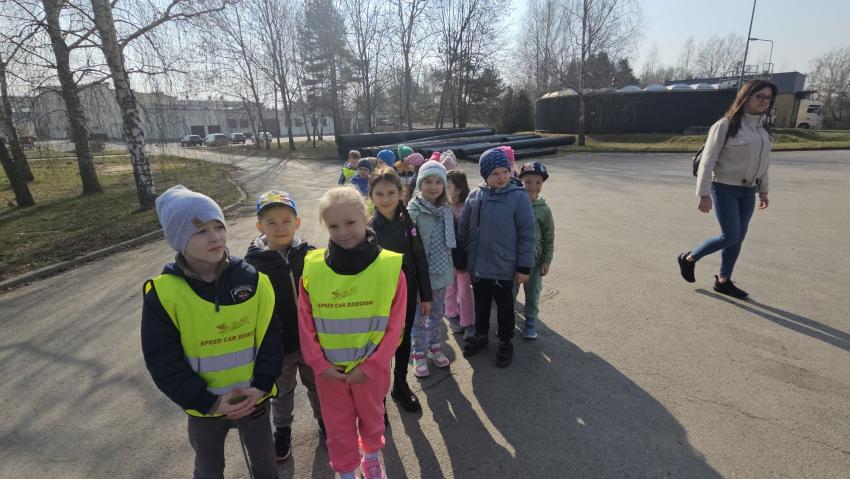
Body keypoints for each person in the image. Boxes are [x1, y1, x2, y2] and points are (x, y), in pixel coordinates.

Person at [141, 185, 282, 479]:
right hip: (204, 407)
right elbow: (163, 361)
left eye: (219, 226)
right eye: (201, 231)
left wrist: (261, 386)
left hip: (253, 397)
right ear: (179, 239)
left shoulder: (255, 281)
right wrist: (208, 402)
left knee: (265, 462)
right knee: (209, 468)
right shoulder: (163, 295)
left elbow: (271, 340)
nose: (215, 237)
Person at [298, 186, 407, 479]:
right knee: (337, 426)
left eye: (350, 222)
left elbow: (396, 326)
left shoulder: (389, 267)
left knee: (373, 420)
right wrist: (319, 365)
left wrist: (372, 365)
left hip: (371, 371)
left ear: (366, 216)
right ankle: (346, 471)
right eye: (333, 226)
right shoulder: (313, 267)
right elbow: (305, 321)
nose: (343, 232)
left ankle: (370, 458)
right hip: (329, 372)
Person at [678, 79, 776, 299]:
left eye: (768, 98)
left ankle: (723, 281)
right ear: (745, 97)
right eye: (760, 96)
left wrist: (764, 190)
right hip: (724, 187)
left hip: (748, 191)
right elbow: (708, 161)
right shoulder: (726, 125)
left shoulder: (763, 130)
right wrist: (703, 193)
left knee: (739, 237)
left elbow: (764, 163)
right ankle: (689, 258)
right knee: (730, 236)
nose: (764, 101)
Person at [244, 191, 323, 462]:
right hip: (278, 346)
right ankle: (283, 430)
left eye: (286, 221)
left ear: (297, 222)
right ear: (260, 226)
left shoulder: (311, 255)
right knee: (282, 391)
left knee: (318, 386)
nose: (280, 228)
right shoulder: (252, 264)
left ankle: (325, 422)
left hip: (311, 341)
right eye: (271, 222)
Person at [458, 148, 535, 367]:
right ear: (485, 175)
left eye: (505, 171)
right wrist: (461, 255)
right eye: (495, 173)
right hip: (479, 265)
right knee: (481, 304)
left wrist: (524, 266)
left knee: (505, 307)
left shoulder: (519, 197)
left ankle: (505, 341)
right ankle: (481, 335)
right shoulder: (475, 196)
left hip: (505, 266)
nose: (502, 177)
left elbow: (527, 234)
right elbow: (464, 228)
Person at [368, 167, 433, 412]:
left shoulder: (408, 222)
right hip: (379, 298)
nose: (386, 199)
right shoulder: (368, 229)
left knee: (403, 340)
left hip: (407, 293)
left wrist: (425, 295)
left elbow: (420, 258)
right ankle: (379, 397)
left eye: (391, 193)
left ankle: (400, 384)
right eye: (379, 194)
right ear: (371, 196)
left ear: (401, 193)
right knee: (380, 345)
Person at [406, 160, 455, 377]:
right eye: (428, 181)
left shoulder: (446, 210)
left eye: (438, 182)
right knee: (418, 316)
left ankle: (435, 345)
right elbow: (408, 245)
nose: (433, 186)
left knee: (437, 313)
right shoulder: (413, 210)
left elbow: (449, 245)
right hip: (420, 274)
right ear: (420, 184)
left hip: (441, 273)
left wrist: (452, 267)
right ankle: (418, 351)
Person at [515, 162, 555, 340]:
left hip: (535, 262)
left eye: (538, 182)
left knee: (533, 295)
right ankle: (507, 321)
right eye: (528, 182)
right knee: (509, 294)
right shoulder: (515, 204)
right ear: (521, 182)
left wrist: (546, 260)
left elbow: (549, 237)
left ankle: (530, 322)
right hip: (513, 261)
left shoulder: (544, 210)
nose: (533, 186)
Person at [444, 169, 475, 339]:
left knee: (464, 292)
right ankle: (452, 315)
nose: (443, 188)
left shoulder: (467, 208)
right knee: (449, 289)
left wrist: (466, 258)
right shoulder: (443, 207)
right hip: (447, 258)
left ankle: (468, 322)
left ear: (458, 189)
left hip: (463, 259)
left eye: (447, 186)